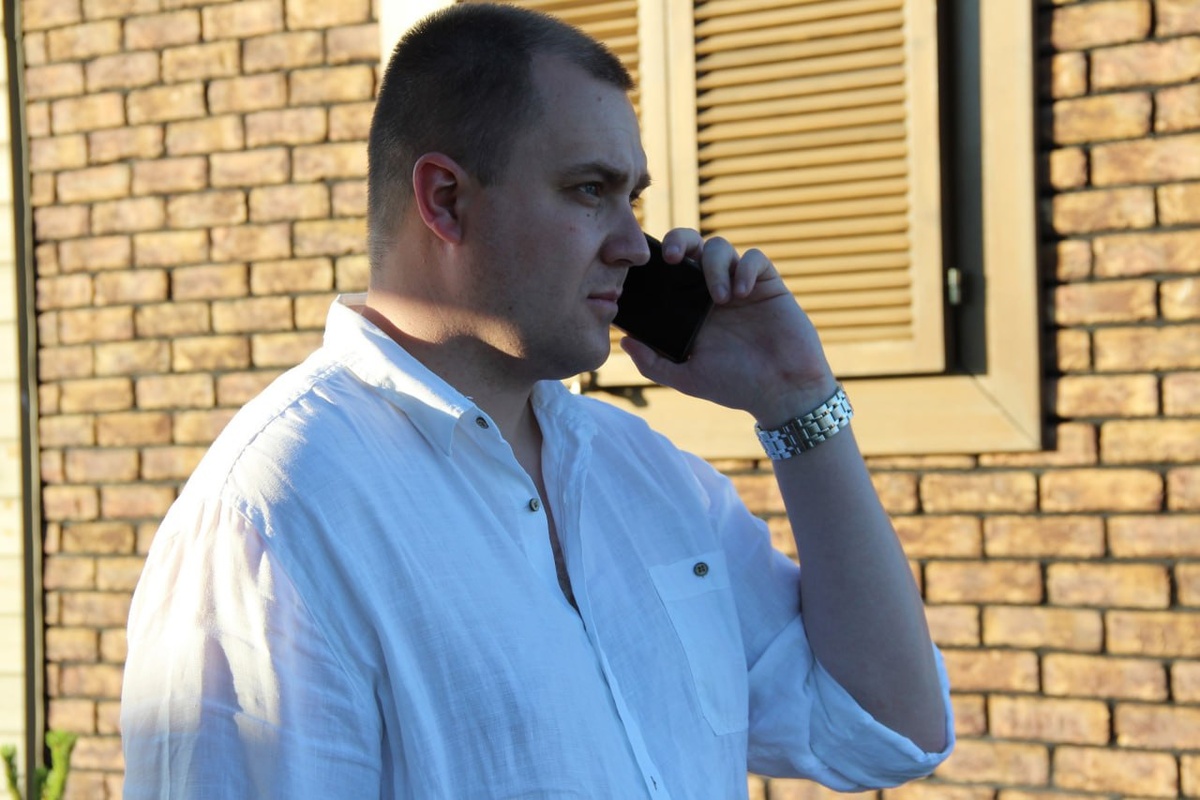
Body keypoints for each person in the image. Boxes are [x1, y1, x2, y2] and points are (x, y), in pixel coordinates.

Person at [120, 4, 954, 797]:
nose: (635, 244)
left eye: (633, 198)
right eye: (590, 190)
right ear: (446, 201)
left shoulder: (649, 476)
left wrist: (797, 402)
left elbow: (887, 732)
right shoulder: (274, 515)